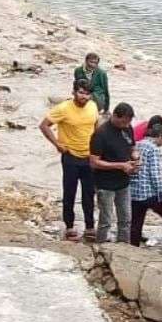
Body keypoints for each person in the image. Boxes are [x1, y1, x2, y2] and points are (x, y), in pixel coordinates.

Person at [39, 79, 99, 242]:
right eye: (81, 92)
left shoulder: (93, 107)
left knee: (89, 193)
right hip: (71, 157)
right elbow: (44, 125)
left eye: (87, 94)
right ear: (73, 92)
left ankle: (89, 226)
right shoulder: (63, 108)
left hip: (88, 157)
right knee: (69, 193)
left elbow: (96, 126)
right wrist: (57, 143)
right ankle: (70, 225)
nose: (84, 97)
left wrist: (98, 149)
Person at [89, 103, 138, 243]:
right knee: (106, 221)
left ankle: (123, 250)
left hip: (124, 182)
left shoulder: (128, 129)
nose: (126, 125)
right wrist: (120, 165)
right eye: (123, 122)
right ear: (114, 116)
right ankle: (101, 249)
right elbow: (94, 162)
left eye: (128, 122)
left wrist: (135, 157)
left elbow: (133, 147)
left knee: (126, 220)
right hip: (105, 184)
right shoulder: (101, 134)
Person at [128, 117, 162, 253]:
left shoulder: (137, 144)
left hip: (134, 193)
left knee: (136, 223)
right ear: (160, 136)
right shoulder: (154, 149)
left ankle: (133, 250)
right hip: (148, 194)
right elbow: (155, 176)